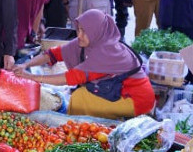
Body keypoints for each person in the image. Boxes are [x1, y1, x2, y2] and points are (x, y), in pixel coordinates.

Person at [12, 9, 155, 118]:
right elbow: (53, 54)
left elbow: (69, 78)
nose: (79, 35)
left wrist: (32, 78)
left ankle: (81, 131)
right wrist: (26, 65)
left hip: (136, 100)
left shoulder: (106, 54)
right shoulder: (92, 40)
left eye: (84, 31)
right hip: (118, 91)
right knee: (81, 95)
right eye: (78, 29)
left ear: (95, 31)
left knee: (80, 98)